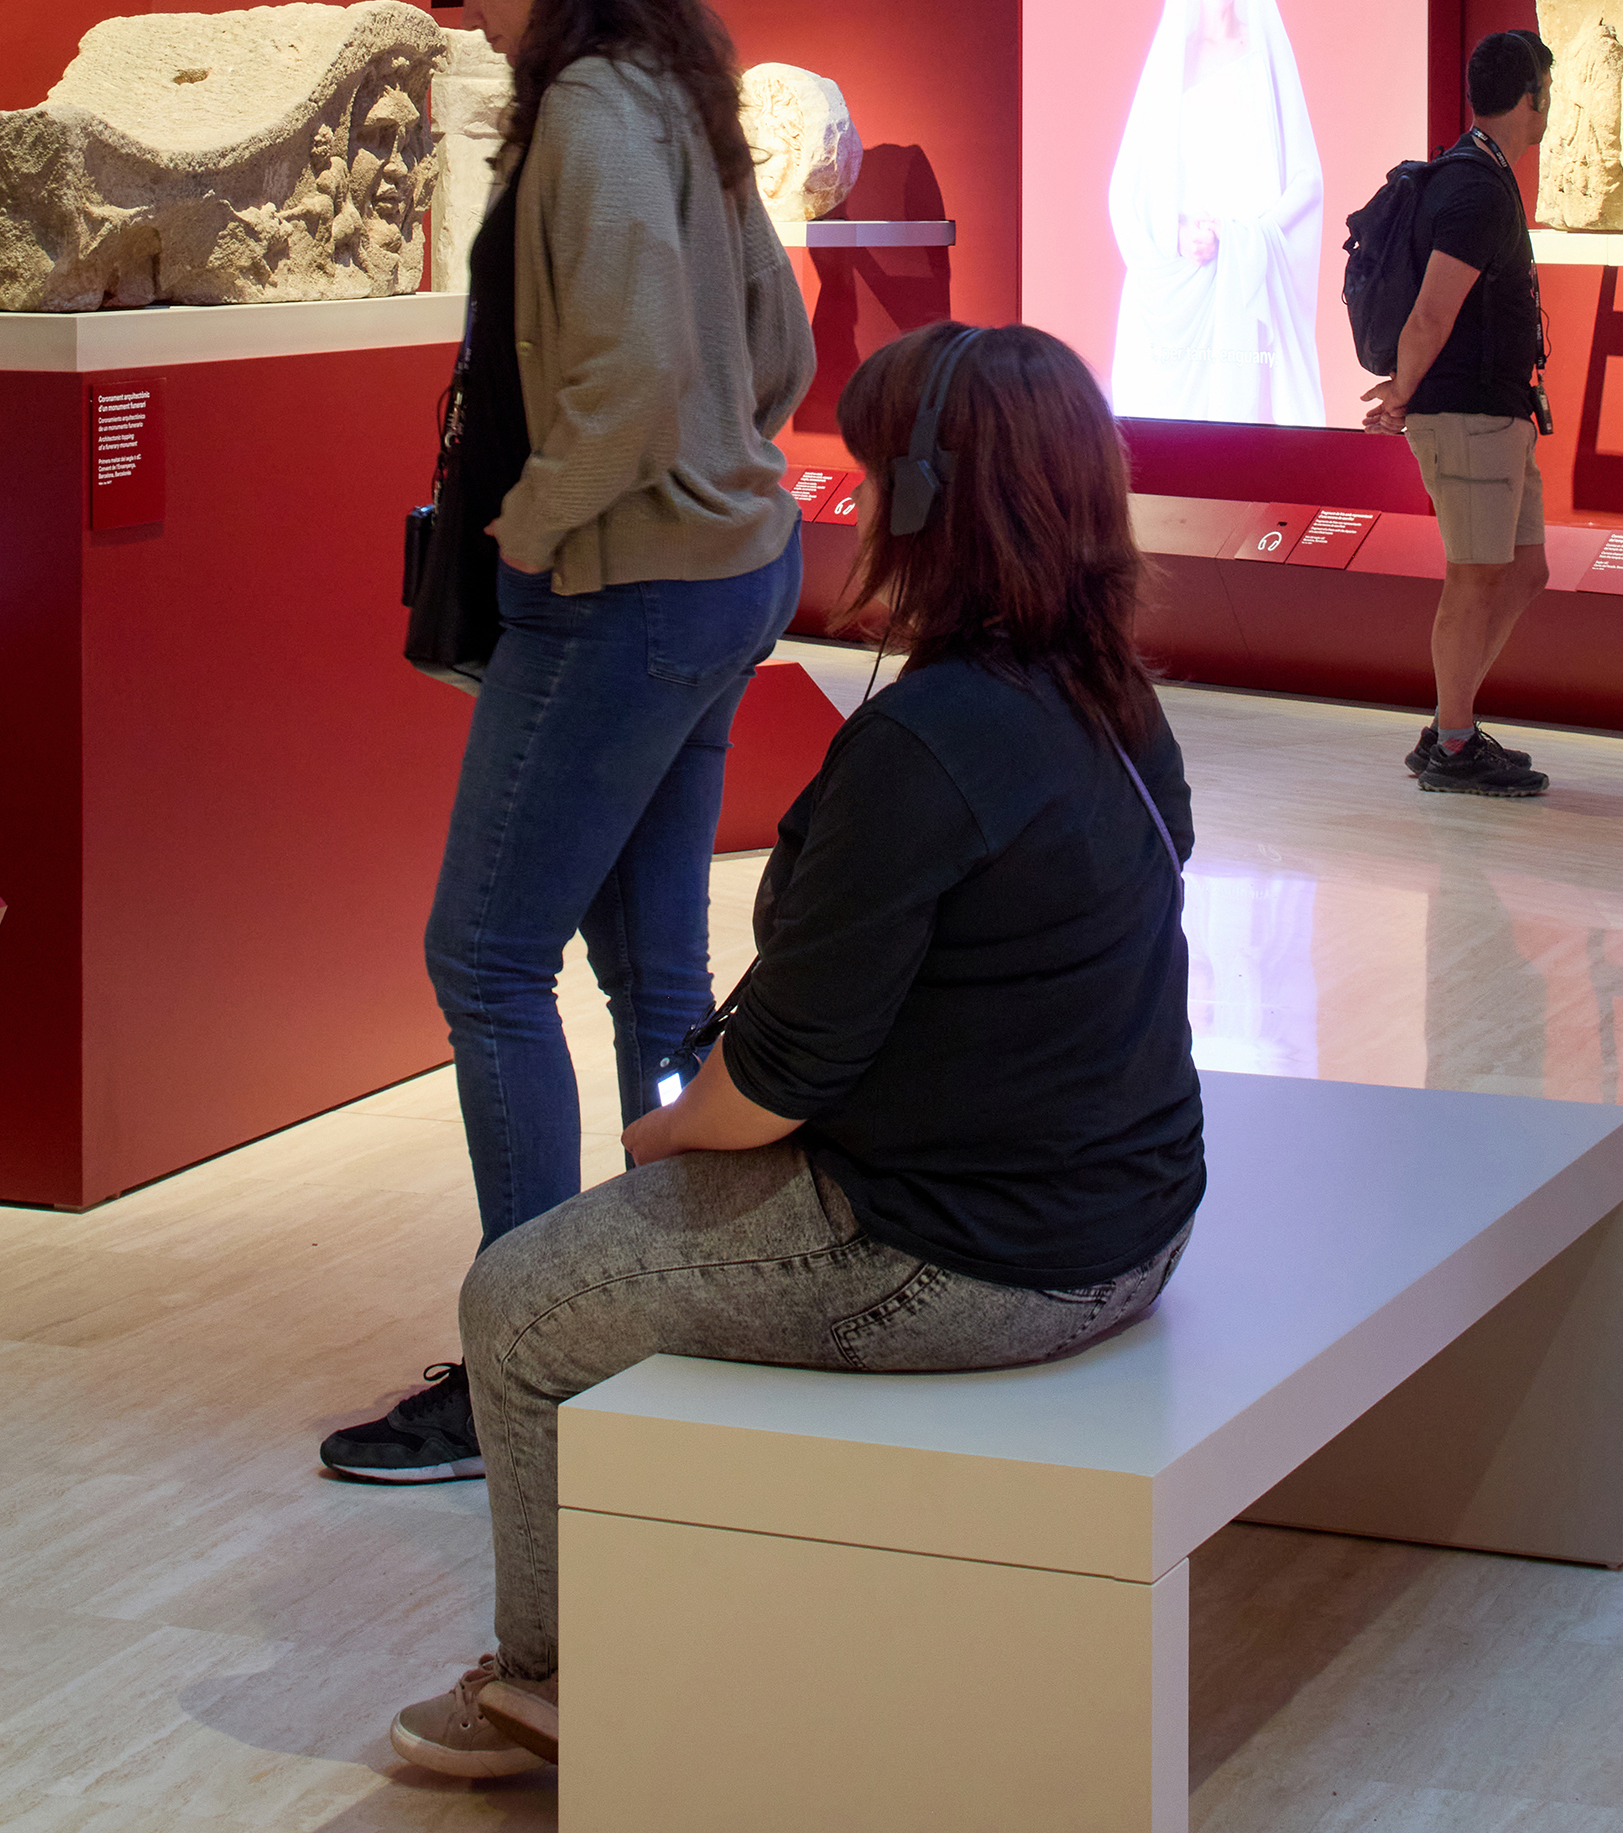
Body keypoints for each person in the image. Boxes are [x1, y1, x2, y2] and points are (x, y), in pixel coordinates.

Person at [389, 321, 1203, 1783]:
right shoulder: (1112, 698)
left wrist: (651, 1145)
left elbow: (775, 1082)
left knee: (518, 1298)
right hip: (1134, 1219)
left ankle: (561, 1680)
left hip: (975, 1255)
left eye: (882, 466)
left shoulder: (925, 742)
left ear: (927, 497)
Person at [321, 0, 813, 1490]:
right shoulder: (678, 87)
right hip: (721, 571)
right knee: (655, 974)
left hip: (622, 584)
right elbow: (778, 342)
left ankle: (526, 1353)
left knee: (483, 958)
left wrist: (531, 522)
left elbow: (631, 367)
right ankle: (670, 1304)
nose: (454, 3)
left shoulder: (598, 108)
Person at [1361, 25, 1553, 799]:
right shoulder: (1474, 186)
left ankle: (1451, 718)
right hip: (1468, 413)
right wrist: (1402, 392)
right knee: (1473, 577)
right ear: (1532, 98)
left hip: (1496, 413)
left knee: (1523, 569)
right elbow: (1432, 315)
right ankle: (1451, 740)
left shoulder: (1478, 173)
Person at [1101, 0, 1326, 425]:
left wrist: (1247, 236)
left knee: (1239, 448)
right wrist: (1173, 234)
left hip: (1240, 288)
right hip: (1177, 293)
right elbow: (1123, 191)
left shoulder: (1264, 55)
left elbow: (1308, 179)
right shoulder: (1170, 61)